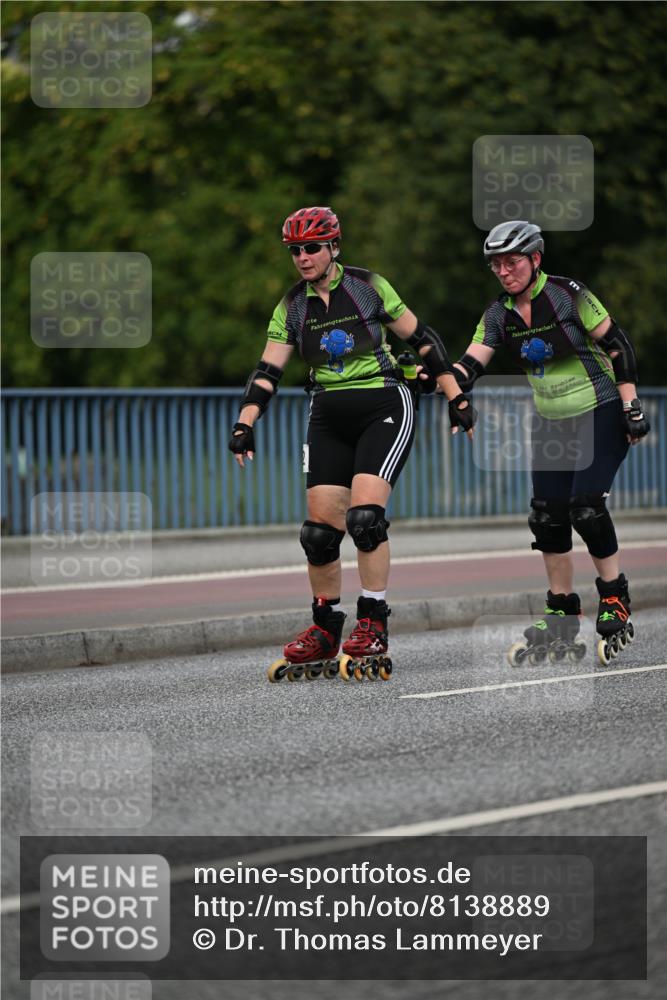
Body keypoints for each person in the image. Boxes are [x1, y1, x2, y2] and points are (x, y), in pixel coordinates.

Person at [229, 206, 475, 679]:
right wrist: (245, 424)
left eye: (312, 248)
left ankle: (373, 622)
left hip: (384, 402)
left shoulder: (368, 287)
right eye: (295, 250)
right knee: (318, 534)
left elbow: (424, 340)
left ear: (333, 247)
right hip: (327, 412)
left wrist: (456, 396)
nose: (302, 258)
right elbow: (267, 372)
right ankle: (325, 628)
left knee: (364, 520)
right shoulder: (292, 307)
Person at [453, 220, 650, 665]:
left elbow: (618, 346)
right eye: (496, 265)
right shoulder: (497, 315)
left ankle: (614, 597)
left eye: (512, 262)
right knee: (547, 517)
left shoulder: (568, 295)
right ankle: (561, 609)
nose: (504, 272)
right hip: (550, 421)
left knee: (585, 505)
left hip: (598, 409)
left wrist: (631, 406)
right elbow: (471, 362)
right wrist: (446, 383)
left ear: (535, 259)